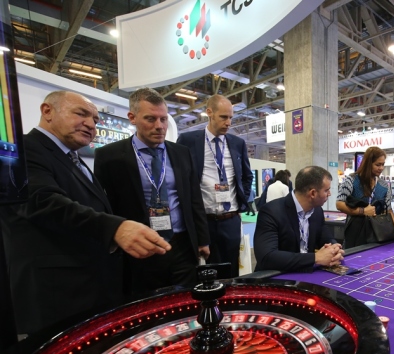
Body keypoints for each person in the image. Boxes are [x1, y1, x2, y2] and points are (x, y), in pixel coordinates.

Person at [0, 91, 170, 335]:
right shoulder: (23, 150)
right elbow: (41, 201)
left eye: (95, 120)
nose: (90, 124)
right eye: (80, 114)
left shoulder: (72, 159)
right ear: (47, 111)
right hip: (55, 296)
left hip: (85, 290)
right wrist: (115, 228)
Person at [95, 88, 210, 294]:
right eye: (150, 119)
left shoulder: (181, 153)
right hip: (141, 248)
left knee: (187, 302)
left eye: (163, 119)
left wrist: (202, 239)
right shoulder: (109, 156)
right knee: (147, 307)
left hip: (181, 245)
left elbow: (194, 198)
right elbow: (106, 205)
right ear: (132, 117)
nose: (159, 126)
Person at [177, 94, 253, 278]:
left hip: (231, 220)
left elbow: (247, 176)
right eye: (223, 117)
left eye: (231, 118)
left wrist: (241, 200)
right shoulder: (188, 141)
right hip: (204, 222)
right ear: (209, 113)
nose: (228, 123)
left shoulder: (238, 143)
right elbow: (182, 179)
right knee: (204, 272)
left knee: (231, 271)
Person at [254, 166, 344, 273]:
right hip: (276, 278)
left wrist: (334, 249)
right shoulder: (271, 212)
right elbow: (267, 257)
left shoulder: (317, 211)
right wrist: (315, 258)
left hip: (306, 275)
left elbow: (325, 237)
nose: (329, 194)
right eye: (326, 190)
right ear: (313, 193)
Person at [336, 146, 394, 248]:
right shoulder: (351, 180)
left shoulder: (384, 185)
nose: (381, 168)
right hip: (355, 232)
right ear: (368, 164)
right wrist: (362, 211)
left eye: (383, 164)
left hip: (376, 233)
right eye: (377, 165)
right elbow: (339, 204)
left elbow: (389, 211)